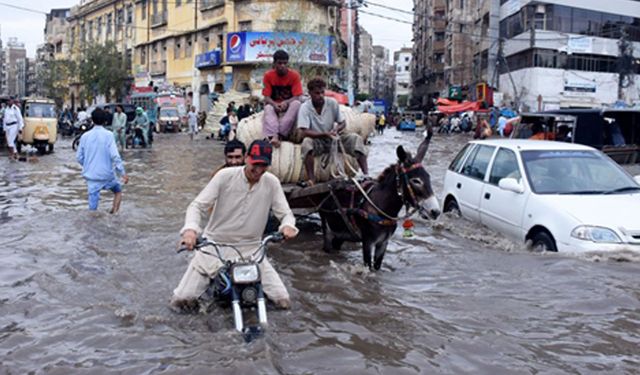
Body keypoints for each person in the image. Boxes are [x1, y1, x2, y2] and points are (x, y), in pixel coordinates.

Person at [171, 140, 298, 311]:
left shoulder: (272, 182)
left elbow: (285, 213)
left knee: (283, 301)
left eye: (263, 165)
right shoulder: (224, 176)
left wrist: (287, 226)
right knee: (181, 301)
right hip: (214, 248)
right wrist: (190, 231)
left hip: (252, 251)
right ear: (247, 158)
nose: (258, 170)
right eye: (255, 164)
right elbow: (197, 206)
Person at [297, 78, 368, 186]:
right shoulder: (305, 108)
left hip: (333, 138)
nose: (320, 95)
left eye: (322, 92)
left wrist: (336, 129)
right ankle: (312, 179)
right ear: (310, 93)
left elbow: (342, 123)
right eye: (317, 93)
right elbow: (304, 131)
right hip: (317, 140)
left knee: (356, 139)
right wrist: (324, 134)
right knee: (307, 143)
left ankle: (366, 175)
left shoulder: (332, 103)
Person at [76, 108, 129, 213]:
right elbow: (115, 156)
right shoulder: (109, 135)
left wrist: (88, 165)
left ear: (92, 120)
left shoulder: (85, 136)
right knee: (118, 191)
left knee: (92, 210)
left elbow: (79, 157)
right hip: (107, 175)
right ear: (105, 121)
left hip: (92, 177)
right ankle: (114, 214)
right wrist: (122, 173)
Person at [262, 49, 303, 147]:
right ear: (274, 63)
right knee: (268, 108)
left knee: (296, 104)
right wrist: (274, 104)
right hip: (274, 105)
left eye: (285, 63)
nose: (282, 66)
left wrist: (286, 102)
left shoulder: (294, 75)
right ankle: (273, 135)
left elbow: (297, 96)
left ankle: (280, 134)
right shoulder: (268, 76)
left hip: (288, 104)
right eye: (279, 63)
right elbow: (266, 97)